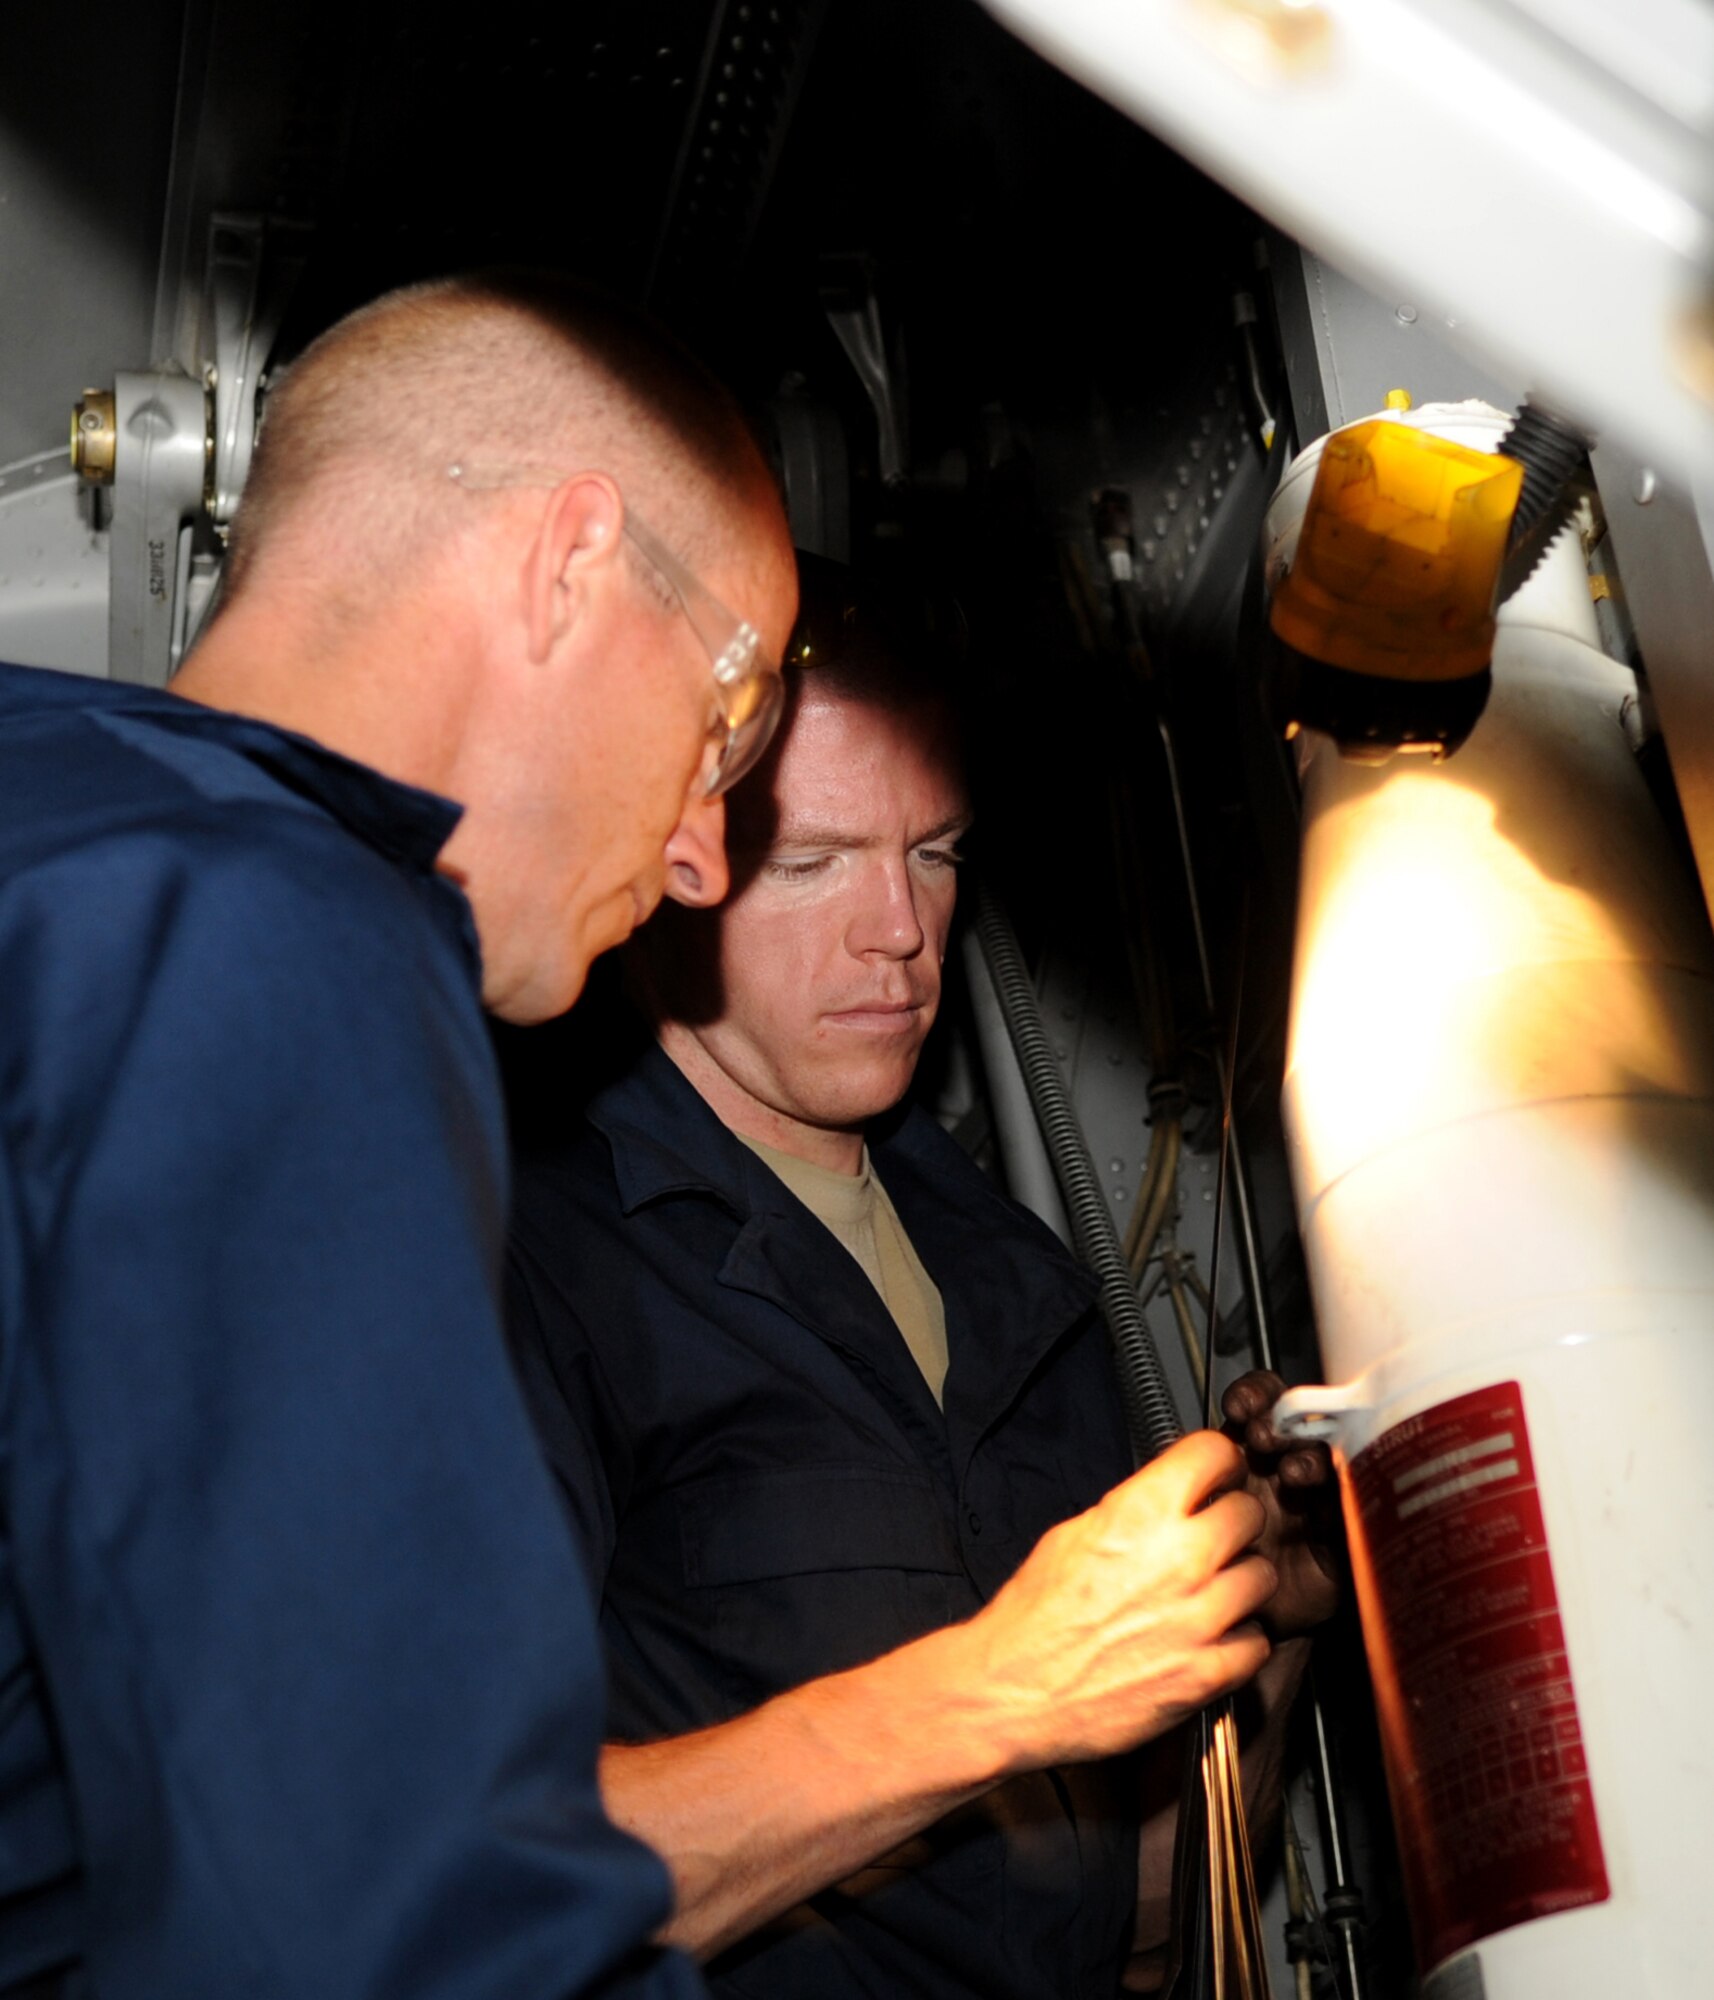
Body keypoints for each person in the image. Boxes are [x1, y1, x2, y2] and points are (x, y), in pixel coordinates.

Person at [0, 270, 798, 1997]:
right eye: (727, 723)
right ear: (570, 561)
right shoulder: (269, 931)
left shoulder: (57, 831)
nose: (702, 859)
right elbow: (384, 1933)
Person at [504, 562, 1336, 1998]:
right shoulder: (537, 1257)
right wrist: (1006, 1686)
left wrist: (1268, 1612)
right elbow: (469, 1886)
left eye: (934, 852)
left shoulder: (1018, 1287)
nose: (898, 928)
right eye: (815, 861)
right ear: (665, 861)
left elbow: (1139, 1924)